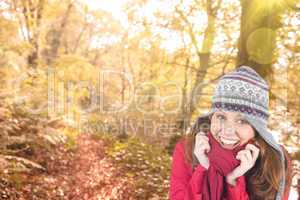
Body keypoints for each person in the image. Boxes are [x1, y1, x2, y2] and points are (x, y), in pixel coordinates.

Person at [169, 66, 292, 200]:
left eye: (242, 121)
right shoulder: (187, 149)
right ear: (212, 117)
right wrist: (202, 169)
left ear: (257, 128)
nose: (228, 131)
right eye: (221, 117)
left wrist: (234, 180)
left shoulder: (275, 162)